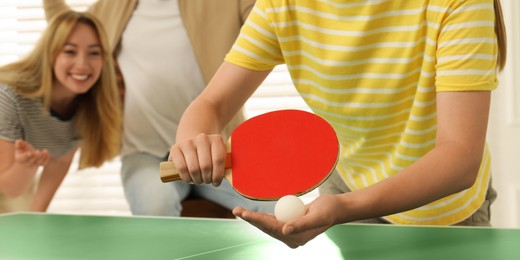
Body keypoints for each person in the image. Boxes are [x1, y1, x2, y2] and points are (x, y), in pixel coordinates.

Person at [168, 0, 507, 248]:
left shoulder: (459, 3)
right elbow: (212, 104)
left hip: (441, 213)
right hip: (349, 188)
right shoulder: (282, 5)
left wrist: (345, 207)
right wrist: (192, 142)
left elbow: (460, 157)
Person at [43, 0, 275, 216]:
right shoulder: (114, 6)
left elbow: (272, 15)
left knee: (278, 206)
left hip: (216, 149)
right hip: (145, 153)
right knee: (155, 208)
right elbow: (68, 27)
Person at [0, 11, 122, 213]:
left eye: (94, 52)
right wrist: (26, 166)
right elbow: (10, 188)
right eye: (70, 51)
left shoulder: (87, 108)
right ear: (50, 53)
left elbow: (59, 162)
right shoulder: (9, 97)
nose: (82, 64)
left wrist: (37, 218)